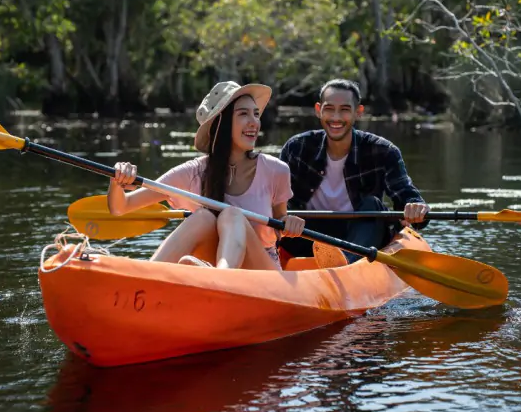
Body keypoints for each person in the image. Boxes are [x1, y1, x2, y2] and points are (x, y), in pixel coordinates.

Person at [107, 81, 306, 270]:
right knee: (203, 218)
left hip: (262, 273)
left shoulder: (276, 170)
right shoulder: (192, 172)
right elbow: (120, 207)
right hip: (212, 270)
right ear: (221, 123)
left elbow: (280, 221)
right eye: (243, 114)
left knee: (232, 214)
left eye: (255, 114)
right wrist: (118, 181)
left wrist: (289, 222)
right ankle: (149, 274)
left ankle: (220, 277)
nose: (254, 122)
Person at [279, 78, 430, 268]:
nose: (336, 117)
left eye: (344, 109)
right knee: (288, 214)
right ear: (318, 110)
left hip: (361, 234)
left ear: (358, 113)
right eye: (329, 109)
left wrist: (416, 209)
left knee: (372, 205)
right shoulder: (297, 148)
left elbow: (406, 196)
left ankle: (345, 266)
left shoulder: (383, 151)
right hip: (307, 235)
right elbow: (275, 199)